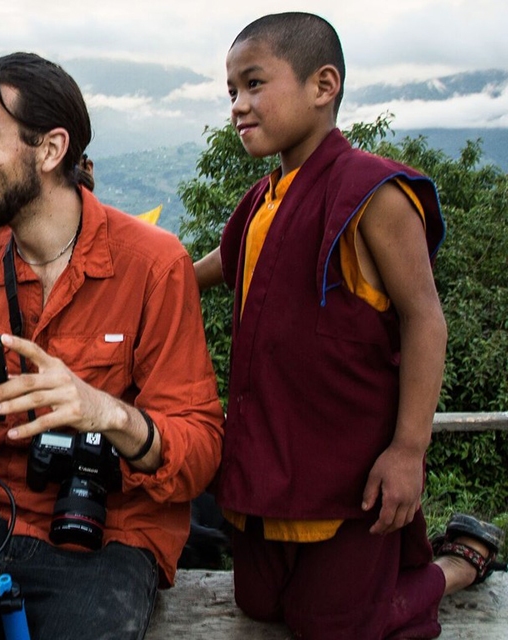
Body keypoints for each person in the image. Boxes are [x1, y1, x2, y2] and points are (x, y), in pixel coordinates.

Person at [192, 12, 505, 639]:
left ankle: (457, 564)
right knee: (258, 603)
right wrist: (150, 274)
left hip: (348, 469)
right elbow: (230, 260)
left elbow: (425, 320)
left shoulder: (373, 192)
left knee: (332, 625)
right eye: (231, 92)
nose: (238, 106)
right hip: (268, 456)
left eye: (254, 84)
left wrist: (408, 451)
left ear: (323, 84)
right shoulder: (263, 197)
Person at [0, 52, 224, 639]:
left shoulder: (153, 264)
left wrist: (108, 414)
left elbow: (200, 446)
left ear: (51, 150)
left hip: (108, 530)